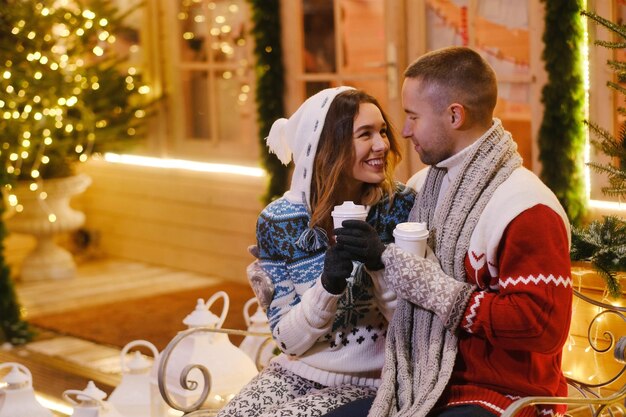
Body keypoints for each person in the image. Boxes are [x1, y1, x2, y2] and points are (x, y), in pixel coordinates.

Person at [328, 46, 573, 417]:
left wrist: (436, 288)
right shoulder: (423, 184)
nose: (405, 131)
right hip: (424, 380)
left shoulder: (526, 207)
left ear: (455, 115)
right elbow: (403, 292)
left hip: (505, 394)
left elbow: (541, 328)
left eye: (413, 117)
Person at [216, 86, 416, 417]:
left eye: (382, 131)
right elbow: (288, 341)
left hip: (375, 380)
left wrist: (380, 263)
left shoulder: (400, 207)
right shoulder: (280, 221)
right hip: (297, 370)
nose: (382, 144)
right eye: (365, 134)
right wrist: (328, 286)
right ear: (326, 146)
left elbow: (412, 326)